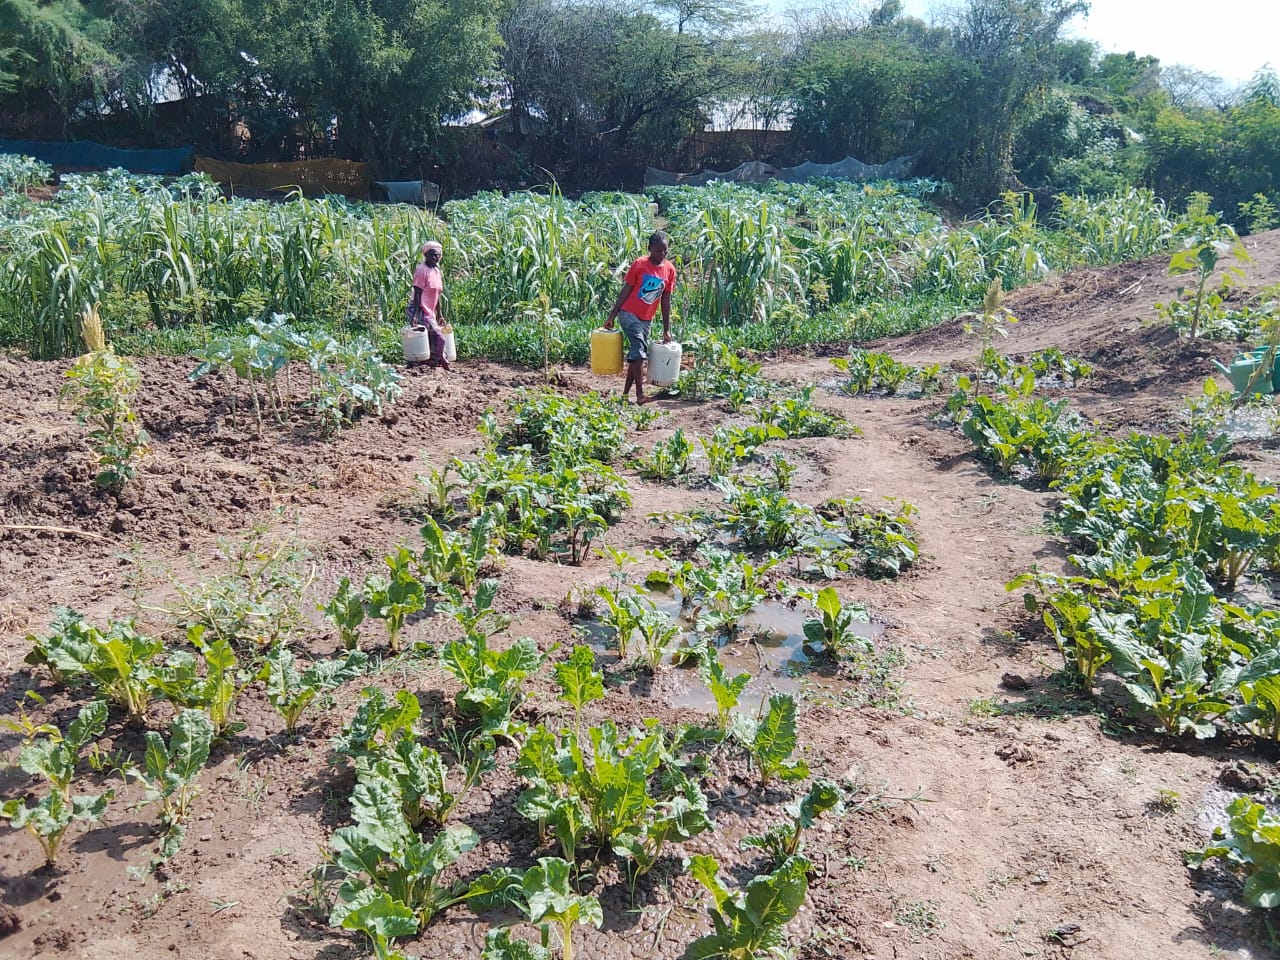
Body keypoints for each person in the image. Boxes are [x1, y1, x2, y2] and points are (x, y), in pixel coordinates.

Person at [604, 231, 675, 404]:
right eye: (658, 251)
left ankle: (625, 394)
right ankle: (640, 394)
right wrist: (612, 315)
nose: (662, 255)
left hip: (646, 319)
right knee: (640, 352)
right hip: (629, 314)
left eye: (664, 251)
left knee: (637, 355)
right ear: (649, 248)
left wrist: (666, 330)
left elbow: (665, 302)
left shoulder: (670, 270)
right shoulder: (640, 265)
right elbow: (625, 291)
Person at [411, 241, 449, 370]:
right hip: (420, 308)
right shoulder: (422, 270)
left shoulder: (436, 271)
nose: (435, 258)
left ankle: (432, 361)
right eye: (432, 255)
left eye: (438, 255)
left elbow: (437, 294)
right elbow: (417, 293)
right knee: (439, 336)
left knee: (432, 337)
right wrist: (415, 314)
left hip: (430, 309)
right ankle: (441, 360)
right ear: (425, 255)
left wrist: (439, 314)